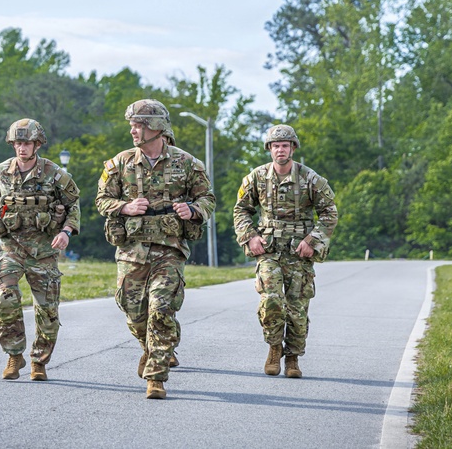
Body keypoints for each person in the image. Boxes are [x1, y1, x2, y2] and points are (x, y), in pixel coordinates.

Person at [96, 99, 215, 399]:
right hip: (131, 249)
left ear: (157, 127)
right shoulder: (119, 163)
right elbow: (101, 200)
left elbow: (208, 199)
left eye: (139, 125)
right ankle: (153, 346)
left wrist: (193, 209)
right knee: (133, 310)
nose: (133, 131)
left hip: (169, 248)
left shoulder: (187, 163)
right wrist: (126, 206)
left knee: (161, 309)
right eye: (132, 125)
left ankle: (156, 377)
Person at [0, 118, 80, 381]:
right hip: (10, 248)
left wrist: (66, 232)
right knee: (4, 299)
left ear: (37, 144)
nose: (22, 148)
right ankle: (14, 355)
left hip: (43, 251)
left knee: (47, 311)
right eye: (18, 143)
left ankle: (39, 361)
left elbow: (73, 206)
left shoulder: (55, 174)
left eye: (27, 143)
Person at [233, 124, 337, 379]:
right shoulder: (256, 178)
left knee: (297, 309)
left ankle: (292, 357)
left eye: (285, 145)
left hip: (299, 252)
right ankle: (273, 347)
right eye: (276, 145)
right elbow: (241, 210)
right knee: (271, 300)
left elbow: (329, 212)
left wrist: (312, 240)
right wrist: (250, 237)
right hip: (269, 250)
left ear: (293, 148)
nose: (281, 149)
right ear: (269, 149)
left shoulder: (311, 179)